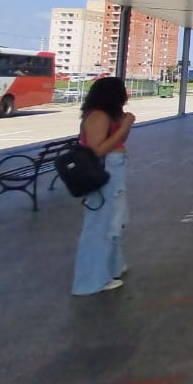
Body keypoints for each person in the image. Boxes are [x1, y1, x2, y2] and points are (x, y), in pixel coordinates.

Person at [72, 77, 135, 296]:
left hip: (114, 175)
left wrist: (124, 124)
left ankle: (113, 265)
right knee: (100, 226)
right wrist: (124, 126)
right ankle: (91, 280)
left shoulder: (109, 116)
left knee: (115, 222)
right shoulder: (98, 116)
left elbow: (118, 141)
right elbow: (97, 150)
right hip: (104, 175)